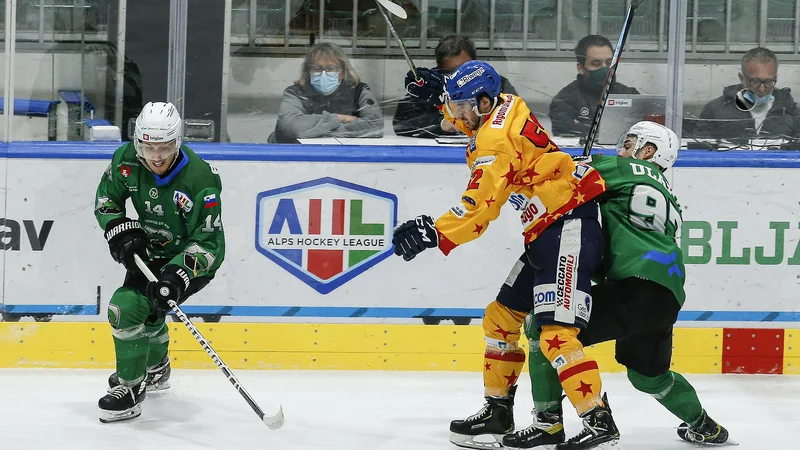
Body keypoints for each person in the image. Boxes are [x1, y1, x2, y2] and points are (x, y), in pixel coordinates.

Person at [391, 60, 619, 450]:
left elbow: (480, 207)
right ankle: (498, 413)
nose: (457, 115)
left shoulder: (496, 144)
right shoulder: (504, 104)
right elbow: (470, 120)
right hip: (549, 226)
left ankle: (598, 419)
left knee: (556, 333)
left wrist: (435, 231)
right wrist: (439, 94)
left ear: (483, 102)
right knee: (500, 319)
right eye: (455, 104)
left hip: (568, 224)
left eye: (462, 106)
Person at [503, 121, 730, 449]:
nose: (620, 150)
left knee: (542, 323)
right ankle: (704, 425)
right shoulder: (667, 195)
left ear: (648, 151)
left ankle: (548, 422)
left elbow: (558, 171)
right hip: (666, 296)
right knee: (649, 377)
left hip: (633, 285)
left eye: (629, 143)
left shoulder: (626, 167)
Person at [94, 101, 225, 423]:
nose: (156, 156)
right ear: (138, 141)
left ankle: (130, 387)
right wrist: (120, 230)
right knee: (146, 312)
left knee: (126, 307)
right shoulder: (126, 160)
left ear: (177, 142)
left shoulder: (200, 180)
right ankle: (156, 368)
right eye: (148, 147)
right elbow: (106, 200)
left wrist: (178, 275)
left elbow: (209, 244)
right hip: (149, 254)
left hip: (191, 260)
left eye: (164, 147)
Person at [392, 34, 518, 138]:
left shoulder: (495, 82)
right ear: (439, 69)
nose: (461, 78)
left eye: (466, 69)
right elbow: (401, 124)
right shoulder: (429, 87)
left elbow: (517, 119)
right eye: (451, 72)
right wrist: (441, 125)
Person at [273, 42, 383, 143]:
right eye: (317, 68)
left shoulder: (358, 91)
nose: (324, 74)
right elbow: (292, 126)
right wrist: (340, 118)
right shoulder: (295, 92)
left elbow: (375, 124)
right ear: (308, 71)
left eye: (331, 68)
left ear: (343, 71)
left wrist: (314, 131)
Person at [691, 47, 800, 141]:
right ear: (742, 78)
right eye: (755, 82)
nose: (762, 89)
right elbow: (700, 150)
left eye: (768, 82)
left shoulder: (791, 112)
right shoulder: (715, 110)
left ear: (775, 78)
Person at [549, 35, 639, 137]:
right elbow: (564, 133)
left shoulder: (630, 95)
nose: (605, 69)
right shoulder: (565, 100)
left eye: (609, 63)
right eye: (596, 64)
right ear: (581, 68)